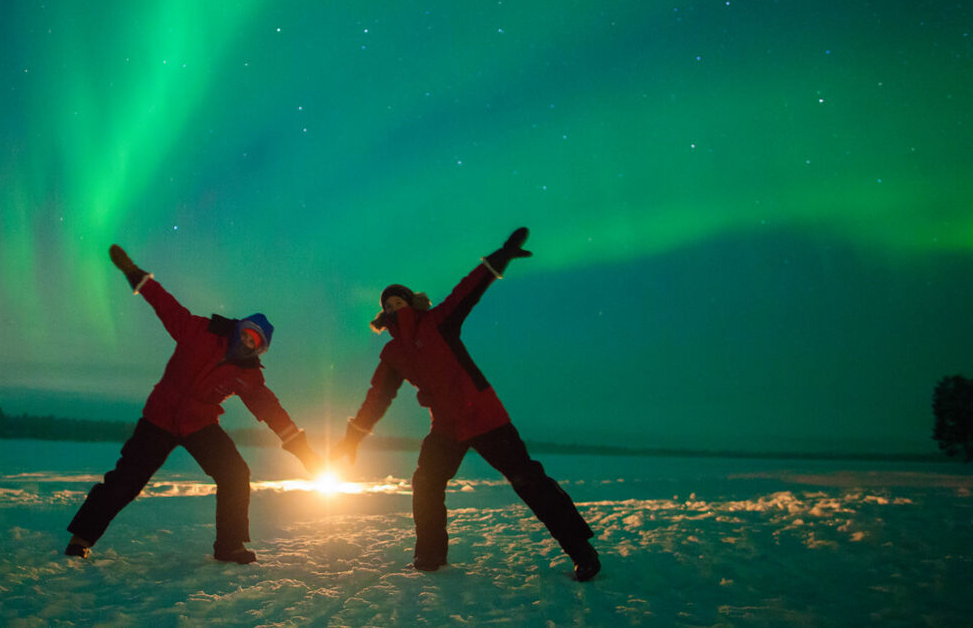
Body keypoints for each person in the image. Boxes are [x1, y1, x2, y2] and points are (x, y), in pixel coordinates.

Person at [330, 227, 601, 580]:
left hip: (485, 417)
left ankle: (582, 551)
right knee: (426, 482)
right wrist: (352, 439)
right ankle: (429, 556)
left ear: (411, 303)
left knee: (528, 480)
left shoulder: (438, 321)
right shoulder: (393, 352)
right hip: (445, 426)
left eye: (399, 302)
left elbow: (468, 290)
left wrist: (500, 256)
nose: (393, 308)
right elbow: (376, 398)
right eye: (387, 306)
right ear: (383, 315)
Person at [64, 244, 323, 564]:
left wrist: (305, 452)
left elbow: (273, 412)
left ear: (259, 350)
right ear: (239, 328)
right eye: (247, 333)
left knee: (235, 472)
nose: (247, 342)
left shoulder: (249, 376)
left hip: (200, 424)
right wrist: (133, 272)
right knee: (126, 481)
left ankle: (230, 546)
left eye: (256, 343)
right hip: (158, 419)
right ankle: (81, 540)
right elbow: (165, 305)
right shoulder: (199, 331)